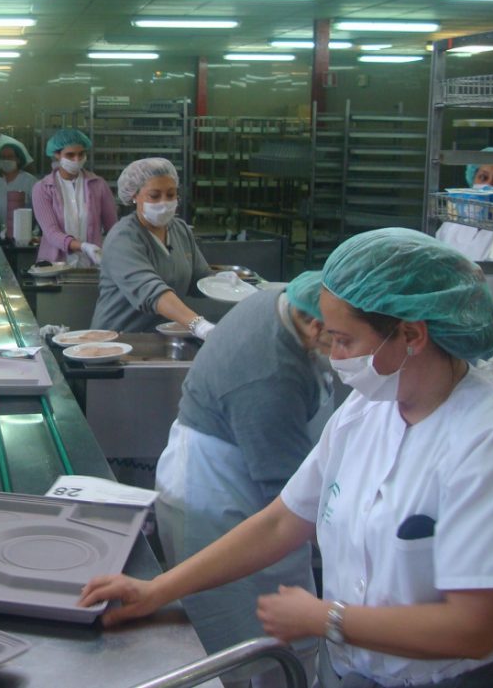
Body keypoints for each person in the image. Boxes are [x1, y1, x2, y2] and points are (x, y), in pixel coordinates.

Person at [81, 227, 493, 688]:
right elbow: (283, 520)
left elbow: (476, 626)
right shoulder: (367, 411)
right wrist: (156, 590)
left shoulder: (492, 441)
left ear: (411, 334)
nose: (336, 355)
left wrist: (328, 617)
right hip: (353, 671)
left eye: (345, 340)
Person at [154, 271, 333, 688]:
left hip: (244, 487)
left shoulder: (282, 299)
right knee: (248, 655)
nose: (345, 353)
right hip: (221, 503)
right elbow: (289, 503)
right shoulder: (268, 376)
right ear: (315, 325)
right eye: (341, 340)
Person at [90, 158, 215, 337]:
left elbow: (199, 280)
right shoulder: (123, 238)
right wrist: (199, 325)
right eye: (154, 196)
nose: (164, 202)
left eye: (171, 195)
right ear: (134, 196)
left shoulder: (180, 231)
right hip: (117, 340)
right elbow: (150, 291)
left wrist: (228, 285)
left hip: (160, 339)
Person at [435, 147, 493, 349]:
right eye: (483, 177)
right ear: (472, 180)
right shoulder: (453, 223)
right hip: (442, 323)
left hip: (485, 333)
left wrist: (470, 322)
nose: (488, 186)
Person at [32, 128, 118, 266]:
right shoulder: (42, 189)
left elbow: (113, 228)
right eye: (70, 155)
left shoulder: (99, 185)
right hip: (54, 266)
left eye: (81, 154)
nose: (77, 160)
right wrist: (83, 246)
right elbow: (51, 232)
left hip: (92, 266)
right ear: (57, 154)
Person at [0, 142, 35, 228]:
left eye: (10, 157)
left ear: (18, 159)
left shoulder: (29, 180)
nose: (6, 160)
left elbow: (40, 207)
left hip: (23, 231)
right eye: (3, 157)